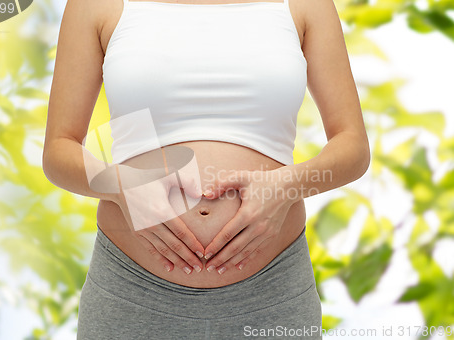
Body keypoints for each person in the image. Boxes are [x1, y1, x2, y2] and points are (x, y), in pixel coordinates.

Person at [42, 0, 370, 338]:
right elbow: (59, 149)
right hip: (132, 292)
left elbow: (353, 147)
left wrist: (288, 186)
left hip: (271, 293)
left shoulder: (306, 5)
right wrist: (123, 186)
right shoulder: (95, 4)